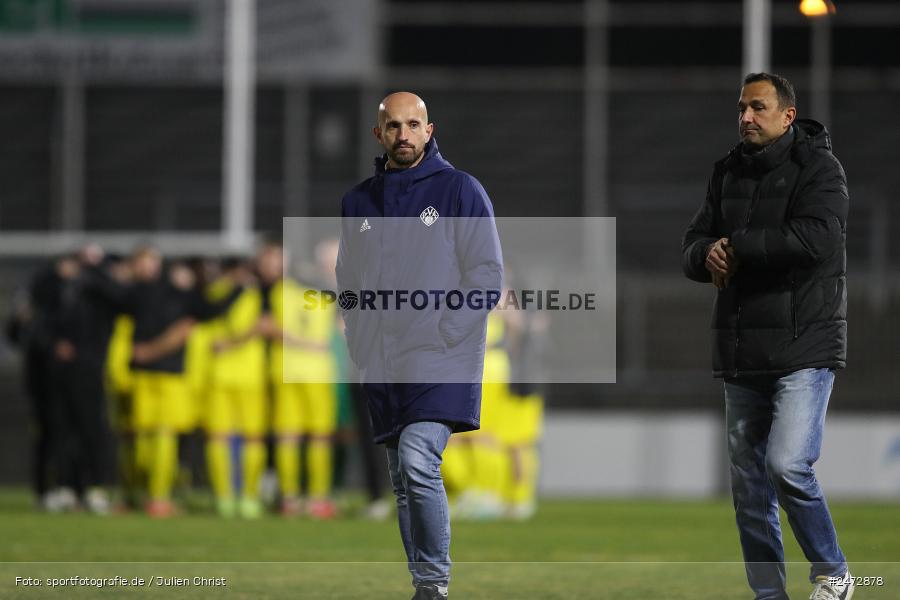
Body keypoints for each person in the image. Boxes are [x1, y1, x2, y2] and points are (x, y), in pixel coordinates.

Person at [682, 73, 853, 600]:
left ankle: (836, 575)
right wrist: (706, 254)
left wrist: (736, 245)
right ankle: (769, 595)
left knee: (787, 465)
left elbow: (819, 238)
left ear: (788, 116)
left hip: (805, 345)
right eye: (741, 108)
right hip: (743, 349)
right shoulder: (727, 170)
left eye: (757, 107)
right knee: (750, 488)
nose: (745, 117)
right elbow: (693, 242)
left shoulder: (820, 168)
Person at [336, 92, 503, 600]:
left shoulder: (459, 190)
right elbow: (349, 278)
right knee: (403, 480)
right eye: (393, 126)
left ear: (429, 131)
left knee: (416, 460)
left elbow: (486, 275)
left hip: (441, 356)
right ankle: (425, 588)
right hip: (383, 359)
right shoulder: (358, 201)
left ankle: (433, 584)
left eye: (413, 125)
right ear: (379, 134)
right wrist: (358, 336)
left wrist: (446, 331)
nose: (403, 134)